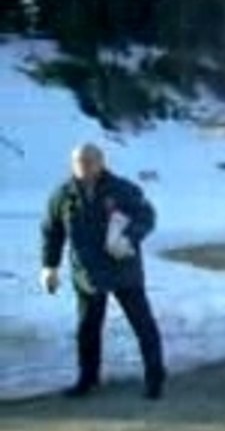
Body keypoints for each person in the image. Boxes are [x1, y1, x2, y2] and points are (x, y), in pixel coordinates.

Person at [40, 144, 166, 400]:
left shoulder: (122, 190)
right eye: (77, 161)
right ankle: (88, 378)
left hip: (123, 269)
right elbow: (52, 231)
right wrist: (49, 266)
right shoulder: (63, 196)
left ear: (101, 162)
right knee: (87, 328)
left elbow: (147, 216)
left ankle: (155, 376)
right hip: (87, 273)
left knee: (142, 324)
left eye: (88, 161)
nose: (82, 166)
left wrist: (129, 238)